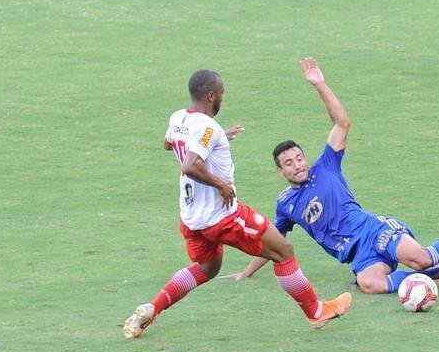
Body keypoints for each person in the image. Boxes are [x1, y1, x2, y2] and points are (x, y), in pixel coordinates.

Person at [228, 57, 439, 295]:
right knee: (370, 284)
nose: (297, 165)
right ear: (280, 171)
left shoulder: (326, 166)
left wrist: (320, 84)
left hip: (372, 230)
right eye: (288, 164)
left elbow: (342, 123)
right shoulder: (286, 204)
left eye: (299, 158)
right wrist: (246, 273)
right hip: (357, 255)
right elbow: (273, 244)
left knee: (418, 257)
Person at [122, 69, 351, 338]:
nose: (221, 98)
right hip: (222, 217)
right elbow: (190, 165)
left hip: (192, 219)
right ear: (210, 95)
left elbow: (169, 144)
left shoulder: (178, 118)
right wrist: (220, 184)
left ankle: (152, 309)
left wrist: (217, 139)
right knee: (284, 251)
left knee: (209, 268)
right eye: (220, 94)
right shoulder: (207, 128)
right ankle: (316, 312)